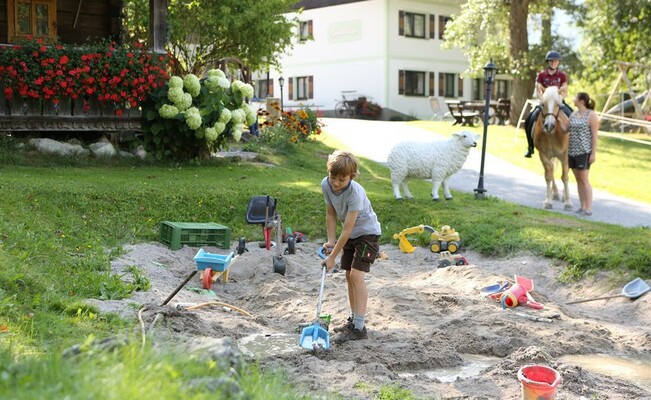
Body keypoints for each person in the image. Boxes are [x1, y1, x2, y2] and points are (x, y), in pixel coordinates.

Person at [321, 150, 381, 343]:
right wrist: (331, 241)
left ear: (352, 177)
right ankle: (354, 320)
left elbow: (347, 229)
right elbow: (331, 214)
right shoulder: (326, 185)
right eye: (333, 177)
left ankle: (360, 328)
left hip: (367, 234)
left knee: (356, 275)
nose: (336, 183)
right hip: (352, 235)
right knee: (348, 275)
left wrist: (332, 258)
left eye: (342, 179)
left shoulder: (355, 193)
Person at [524, 50, 573, 158]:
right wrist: (541, 99)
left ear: (558, 63)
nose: (553, 63)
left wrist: (560, 98)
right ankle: (530, 147)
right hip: (545, 103)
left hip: (558, 103)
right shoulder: (541, 75)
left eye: (556, 61)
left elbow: (565, 91)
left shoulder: (562, 75)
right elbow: (538, 90)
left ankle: (573, 147)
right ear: (548, 62)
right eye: (551, 61)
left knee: (572, 116)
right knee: (529, 119)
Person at [565, 92, 599, 216]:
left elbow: (595, 136)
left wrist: (593, 153)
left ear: (581, 101)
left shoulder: (591, 115)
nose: (573, 99)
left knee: (584, 180)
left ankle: (588, 208)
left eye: (575, 97)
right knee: (578, 179)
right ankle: (582, 206)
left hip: (584, 151)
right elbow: (565, 129)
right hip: (572, 151)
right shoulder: (573, 114)